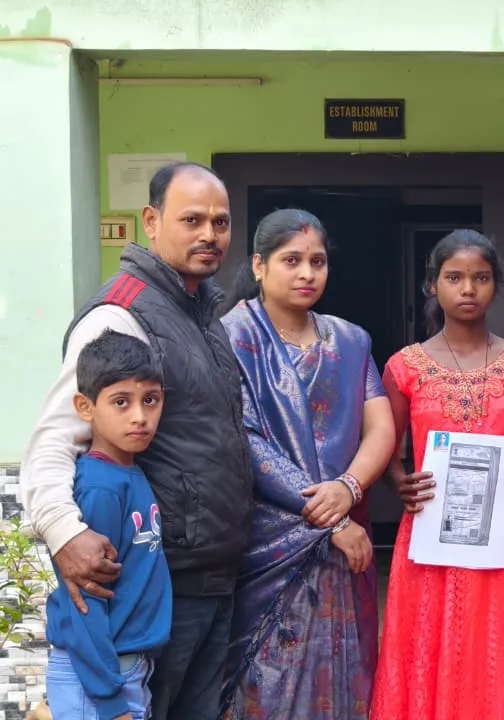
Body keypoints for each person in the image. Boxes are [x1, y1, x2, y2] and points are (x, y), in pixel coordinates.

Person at [20, 162, 254, 720]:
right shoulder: (120, 312)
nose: (209, 234)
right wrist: (64, 532)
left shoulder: (204, 313)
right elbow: (56, 435)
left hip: (212, 573)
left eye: (220, 222)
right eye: (191, 219)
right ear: (151, 221)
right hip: (157, 580)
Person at [370, 230, 504, 720]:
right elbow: (383, 447)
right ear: (433, 285)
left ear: (496, 286)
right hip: (432, 533)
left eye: (481, 278)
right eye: (455, 277)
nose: (468, 289)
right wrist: (400, 482)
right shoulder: (405, 368)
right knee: (432, 642)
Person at [218, 209, 396, 719]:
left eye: (317, 261)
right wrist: (331, 515)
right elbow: (245, 438)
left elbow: (380, 426)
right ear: (258, 265)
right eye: (291, 260)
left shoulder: (350, 340)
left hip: (346, 540)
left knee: (342, 674)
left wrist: (349, 488)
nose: (306, 273)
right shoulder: (232, 338)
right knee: (263, 680)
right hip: (267, 542)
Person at [44, 330, 172, 720]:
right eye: (121, 402)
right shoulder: (100, 488)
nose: (140, 416)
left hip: (126, 670)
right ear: (85, 407)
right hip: (100, 678)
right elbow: (84, 603)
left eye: (150, 400)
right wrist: (111, 700)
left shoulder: (129, 473)